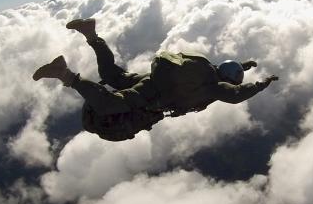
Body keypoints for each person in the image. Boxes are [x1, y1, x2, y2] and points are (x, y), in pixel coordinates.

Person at [33, 18, 278, 141]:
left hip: (151, 80)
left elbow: (227, 68)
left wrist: (244, 65)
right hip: (152, 96)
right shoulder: (215, 88)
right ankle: (64, 73)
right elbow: (237, 95)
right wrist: (261, 84)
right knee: (110, 104)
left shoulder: (206, 70)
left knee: (112, 75)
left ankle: (91, 33)